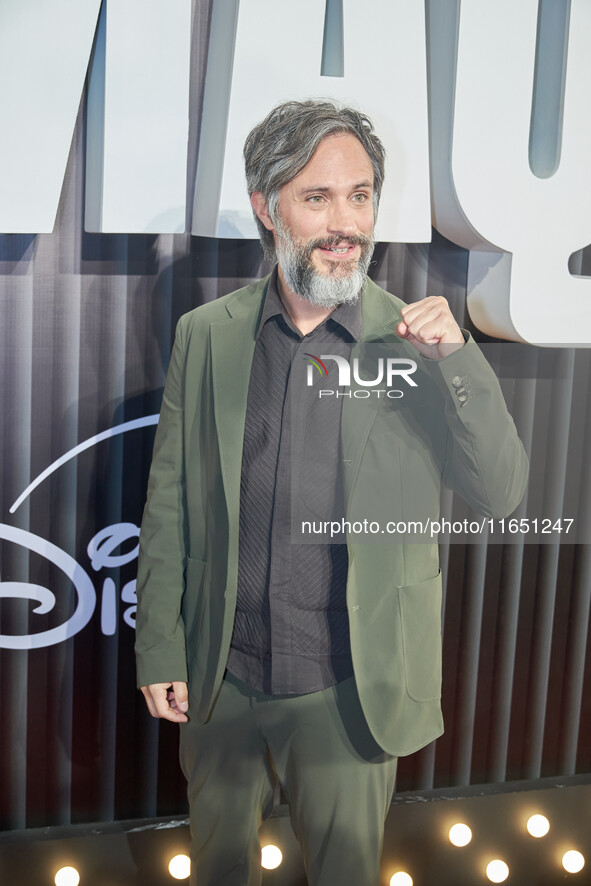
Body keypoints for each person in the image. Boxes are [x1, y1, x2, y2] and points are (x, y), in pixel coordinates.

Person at [135, 99, 528, 885]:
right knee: (217, 872)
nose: (344, 220)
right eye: (316, 197)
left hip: (349, 689)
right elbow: (169, 500)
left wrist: (458, 364)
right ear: (265, 206)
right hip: (222, 681)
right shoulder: (206, 334)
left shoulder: (419, 344)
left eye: (358, 195)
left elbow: (501, 496)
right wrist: (161, 647)